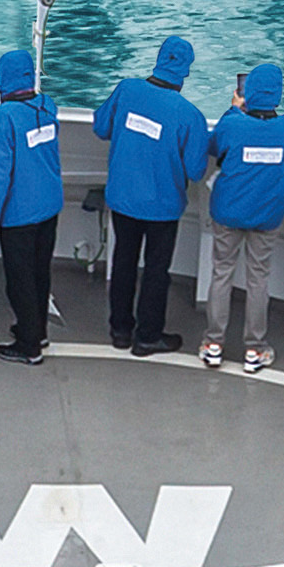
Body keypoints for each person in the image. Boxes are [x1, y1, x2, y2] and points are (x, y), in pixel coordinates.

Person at [98, 34, 204, 355]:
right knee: (156, 271)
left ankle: (120, 330)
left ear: (158, 59)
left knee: (123, 262)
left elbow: (102, 127)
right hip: (162, 207)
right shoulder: (190, 115)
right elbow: (197, 170)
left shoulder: (126, 90)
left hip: (123, 199)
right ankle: (147, 336)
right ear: (185, 71)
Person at [197, 57, 284, 371]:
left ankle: (214, 343)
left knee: (222, 273)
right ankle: (255, 349)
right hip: (267, 215)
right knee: (258, 279)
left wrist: (234, 109)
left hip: (228, 212)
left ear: (249, 93)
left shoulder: (233, 123)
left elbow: (214, 146)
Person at [0, 46, 69, 363]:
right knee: (40, 274)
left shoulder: (2, 120)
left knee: (20, 282)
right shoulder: (47, 107)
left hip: (19, 214)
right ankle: (38, 331)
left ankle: (29, 347)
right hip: (49, 207)